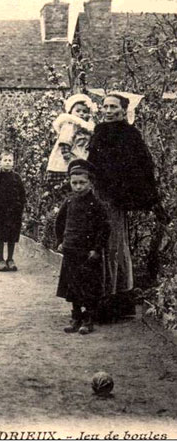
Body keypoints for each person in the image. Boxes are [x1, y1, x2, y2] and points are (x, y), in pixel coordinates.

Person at [87, 93, 165, 320]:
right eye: (106, 106)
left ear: (123, 110)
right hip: (98, 196)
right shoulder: (100, 131)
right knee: (96, 245)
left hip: (115, 200)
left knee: (115, 247)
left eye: (113, 107)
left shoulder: (130, 135)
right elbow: (92, 164)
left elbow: (142, 167)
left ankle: (114, 303)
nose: (109, 111)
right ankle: (93, 300)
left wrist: (148, 199)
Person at [55, 159, 110, 335]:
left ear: (90, 183)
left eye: (82, 183)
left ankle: (89, 319)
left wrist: (96, 248)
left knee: (88, 286)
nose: (78, 187)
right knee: (73, 286)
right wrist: (60, 241)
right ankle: (76, 317)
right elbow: (59, 222)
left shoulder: (96, 204)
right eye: (75, 183)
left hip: (87, 254)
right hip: (71, 250)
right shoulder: (69, 202)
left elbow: (104, 228)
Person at [46, 94, 96, 189]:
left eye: (84, 111)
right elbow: (65, 140)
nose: (81, 114)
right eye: (78, 111)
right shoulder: (70, 124)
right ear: (71, 112)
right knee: (65, 180)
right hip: (66, 159)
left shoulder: (86, 127)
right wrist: (66, 153)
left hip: (78, 156)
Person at [0, 151, 26, 271]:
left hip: (14, 212)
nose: (8, 162)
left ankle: (10, 259)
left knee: (12, 236)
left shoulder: (17, 178)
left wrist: (19, 206)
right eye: (5, 160)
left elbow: (22, 194)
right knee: (0, 235)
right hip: (1, 212)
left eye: (10, 160)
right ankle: (1, 259)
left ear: (13, 163)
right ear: (0, 162)